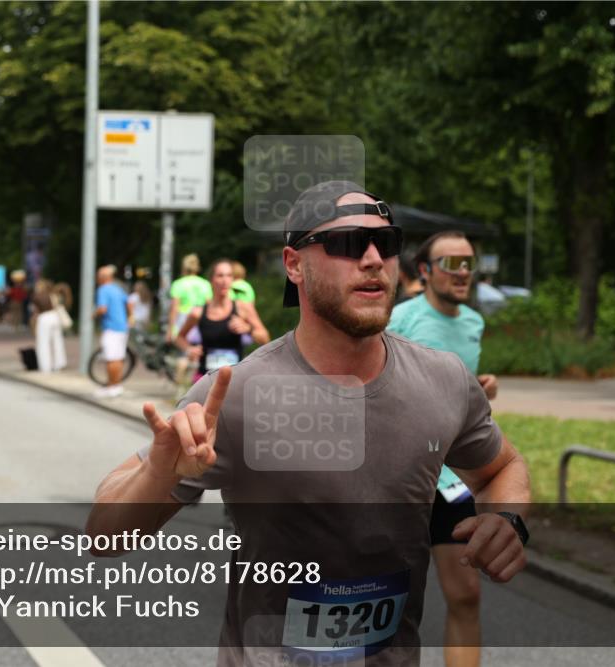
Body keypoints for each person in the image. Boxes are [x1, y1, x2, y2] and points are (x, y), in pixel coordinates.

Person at [87, 181, 530, 666]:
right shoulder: (236, 394)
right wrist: (161, 472)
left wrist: (506, 518)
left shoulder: (444, 379)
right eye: (345, 244)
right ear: (294, 264)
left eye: (386, 243)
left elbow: (502, 467)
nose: (371, 260)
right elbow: (103, 535)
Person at [388, 230, 496, 667]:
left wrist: (483, 389)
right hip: (398, 477)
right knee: (385, 602)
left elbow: (461, 393)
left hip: (450, 481)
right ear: (426, 272)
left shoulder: (473, 324)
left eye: (469, 262)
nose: (463, 272)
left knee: (466, 594)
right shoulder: (399, 320)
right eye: (451, 263)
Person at [175, 258, 269, 383]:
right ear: (211, 280)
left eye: (229, 276)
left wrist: (248, 329)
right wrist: (189, 349)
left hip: (235, 380)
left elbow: (265, 338)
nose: (225, 281)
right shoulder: (198, 312)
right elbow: (179, 338)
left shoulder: (242, 308)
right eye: (220, 276)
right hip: (205, 379)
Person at [94, 265, 133, 398]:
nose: (96, 278)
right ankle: (116, 385)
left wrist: (94, 314)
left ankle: (112, 386)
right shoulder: (118, 289)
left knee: (111, 358)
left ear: (103, 277)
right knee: (119, 358)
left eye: (98, 275)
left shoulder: (103, 290)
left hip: (111, 328)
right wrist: (130, 317)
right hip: (122, 327)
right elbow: (129, 303)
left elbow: (102, 309)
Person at [167, 253, 212, 341]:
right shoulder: (205, 283)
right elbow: (209, 305)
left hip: (183, 321)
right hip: (200, 321)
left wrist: (170, 329)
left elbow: (174, 308)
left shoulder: (178, 284)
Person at [31, 279, 67, 372]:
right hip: (55, 317)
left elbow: (35, 311)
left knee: (43, 343)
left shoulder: (37, 296)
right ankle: (59, 364)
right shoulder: (53, 295)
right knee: (57, 341)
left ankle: (45, 366)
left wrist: (33, 324)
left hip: (44, 318)